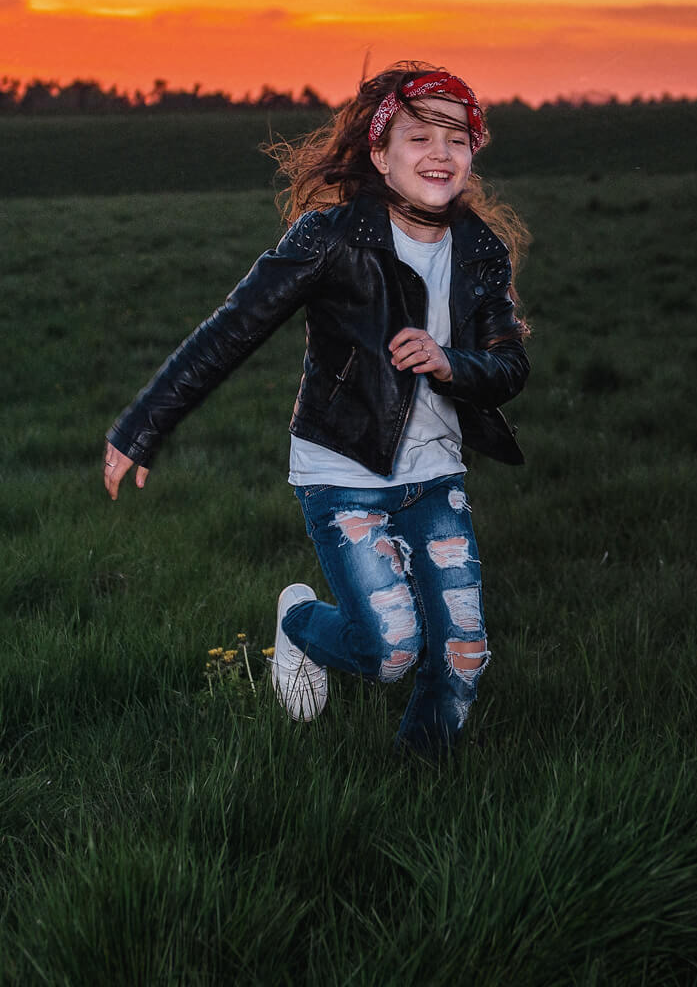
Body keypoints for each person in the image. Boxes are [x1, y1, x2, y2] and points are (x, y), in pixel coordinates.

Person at [102, 63, 531, 754]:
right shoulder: (331, 239)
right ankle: (301, 622)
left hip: (436, 475)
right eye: (420, 137)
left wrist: (454, 363)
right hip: (343, 470)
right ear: (380, 152)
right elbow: (232, 329)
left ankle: (417, 786)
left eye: (457, 139)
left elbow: (510, 366)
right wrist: (143, 425)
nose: (441, 154)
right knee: (390, 651)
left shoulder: (480, 251)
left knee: (462, 655)